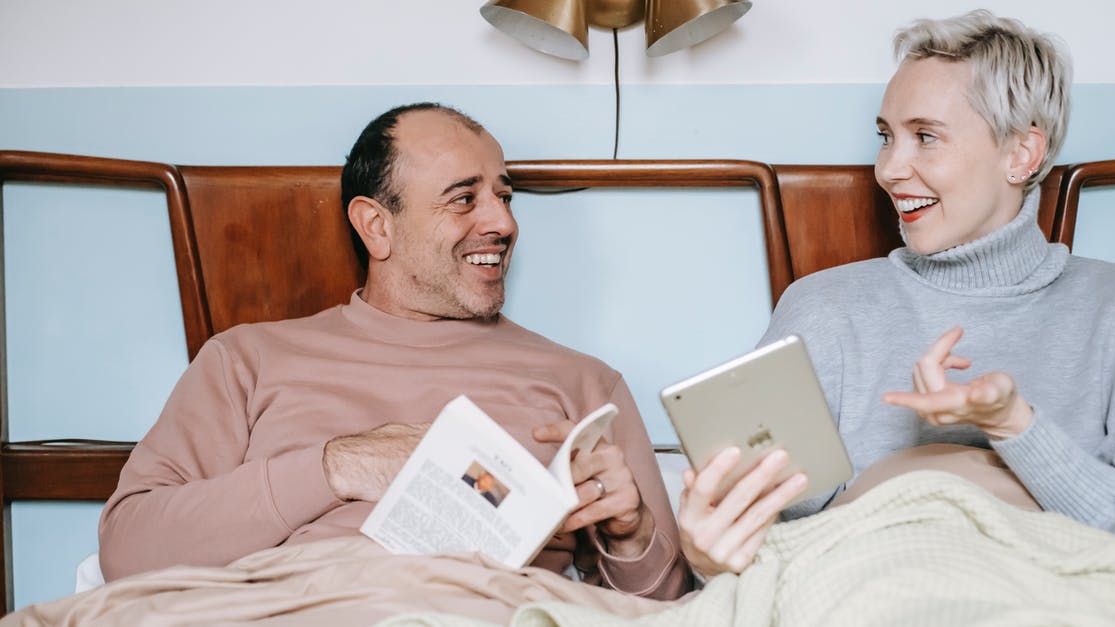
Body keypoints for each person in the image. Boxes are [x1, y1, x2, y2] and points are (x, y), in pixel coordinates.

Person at [678, 10, 1115, 578]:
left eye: (925, 137)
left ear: (1022, 155)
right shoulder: (822, 308)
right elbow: (754, 555)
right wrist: (710, 555)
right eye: (886, 136)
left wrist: (1014, 426)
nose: (890, 169)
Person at [98, 103, 690, 600]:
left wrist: (630, 535)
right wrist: (335, 466)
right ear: (376, 226)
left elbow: (666, 607)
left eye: (505, 197)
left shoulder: (583, 382)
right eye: (464, 199)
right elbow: (127, 551)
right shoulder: (245, 359)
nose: (503, 222)